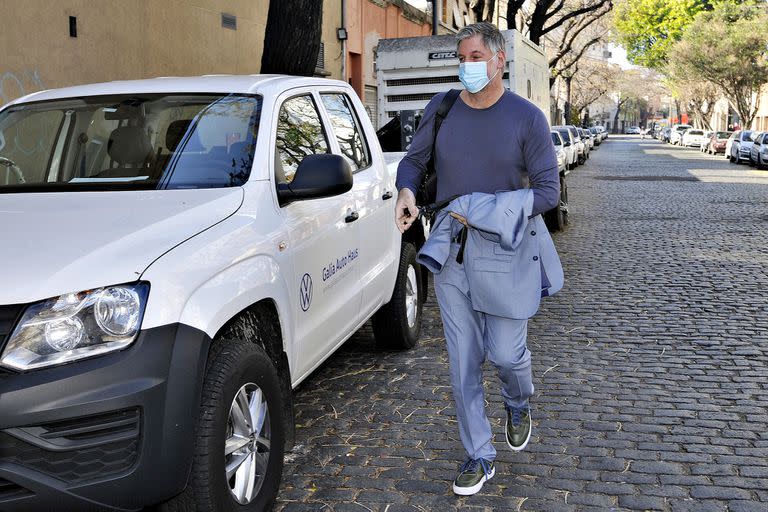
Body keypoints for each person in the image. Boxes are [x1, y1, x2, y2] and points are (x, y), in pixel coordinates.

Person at [394, 22, 561, 496]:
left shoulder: (527, 119)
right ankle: (479, 454)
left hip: (506, 253)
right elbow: (414, 160)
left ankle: (518, 401)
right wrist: (407, 189)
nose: (465, 66)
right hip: (450, 253)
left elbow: (547, 192)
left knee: (508, 355)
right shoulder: (442, 108)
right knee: (463, 360)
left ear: (498, 61)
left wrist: (481, 207)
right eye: (459, 58)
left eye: (473, 57)